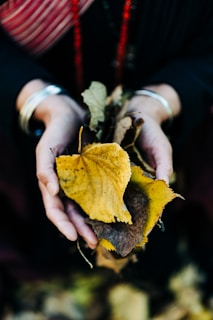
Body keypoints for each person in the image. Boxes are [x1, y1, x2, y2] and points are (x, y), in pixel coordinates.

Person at [0, 0, 213, 286]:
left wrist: (160, 101)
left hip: (184, 108)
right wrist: (43, 101)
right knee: (45, 236)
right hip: (32, 121)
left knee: (177, 231)